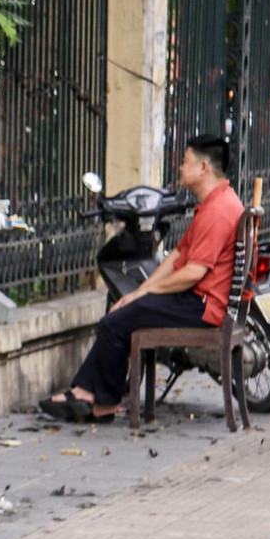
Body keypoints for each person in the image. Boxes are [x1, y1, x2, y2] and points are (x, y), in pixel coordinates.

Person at [41, 135, 243, 422]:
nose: (180, 168)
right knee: (123, 311)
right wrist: (142, 290)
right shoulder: (217, 201)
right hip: (202, 299)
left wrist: (142, 295)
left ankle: (104, 402)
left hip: (203, 306)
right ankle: (85, 389)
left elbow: (192, 273)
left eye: (185, 162)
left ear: (203, 169)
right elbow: (176, 256)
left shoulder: (218, 211)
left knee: (114, 322)